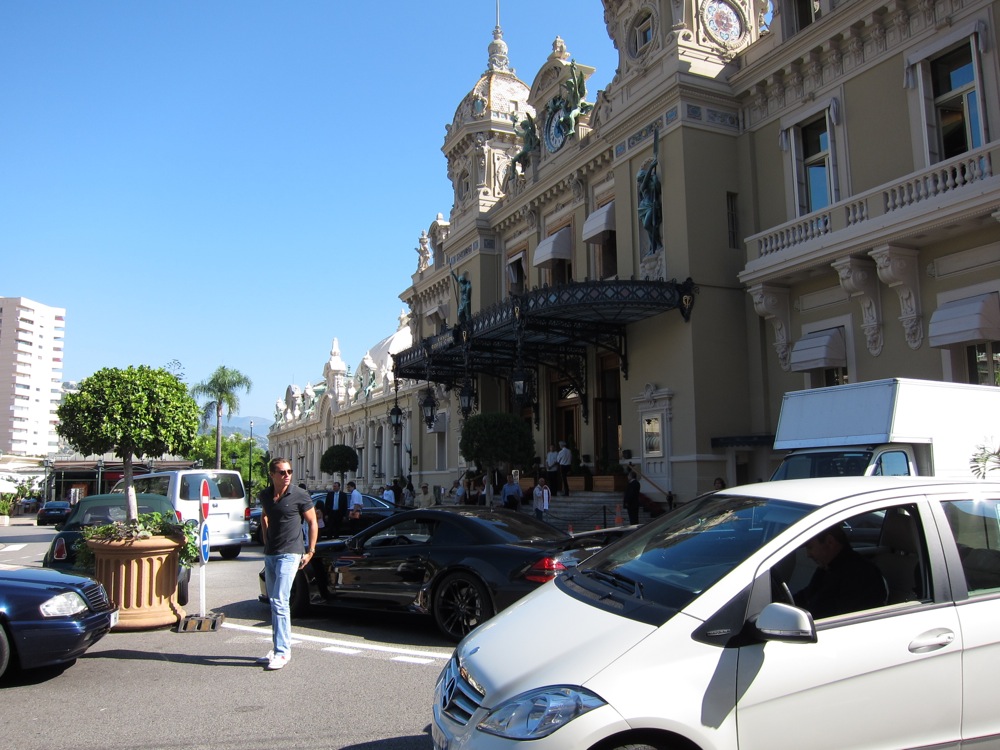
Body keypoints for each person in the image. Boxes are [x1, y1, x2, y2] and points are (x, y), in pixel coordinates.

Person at [258, 457, 318, 671]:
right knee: (274, 601)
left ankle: (283, 652)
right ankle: (276, 648)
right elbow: (264, 516)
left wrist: (311, 550)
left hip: (291, 553)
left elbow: (312, 521)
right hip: (271, 554)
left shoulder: (300, 494)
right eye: (282, 472)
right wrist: (266, 539)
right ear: (272, 475)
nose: (287, 476)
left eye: (289, 472)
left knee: (280, 600)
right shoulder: (265, 495)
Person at [794, 525, 887, 619]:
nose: (808, 554)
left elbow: (840, 617)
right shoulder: (827, 567)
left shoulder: (861, 575)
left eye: (810, 547)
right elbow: (806, 596)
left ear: (830, 542)